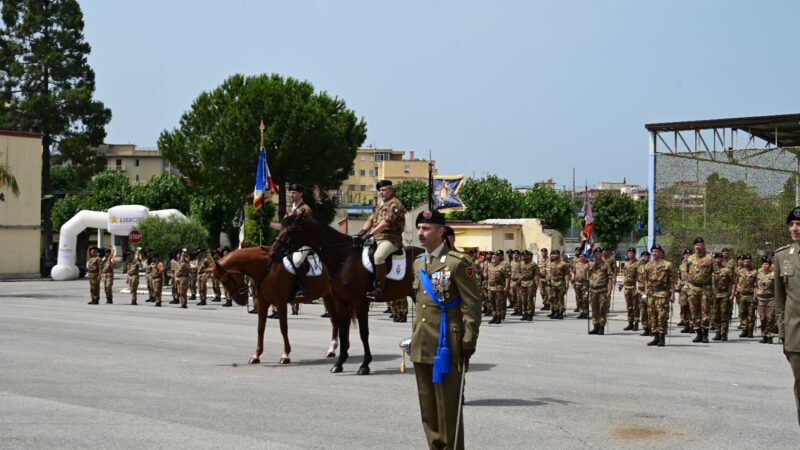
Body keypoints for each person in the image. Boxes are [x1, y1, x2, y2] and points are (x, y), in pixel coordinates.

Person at [411, 209, 481, 450]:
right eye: (419, 228)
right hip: (422, 343)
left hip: (447, 345)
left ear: (440, 232)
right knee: (428, 408)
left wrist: (468, 341)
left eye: (426, 228)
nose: (421, 233)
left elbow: (472, 305)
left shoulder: (457, 263)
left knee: (448, 408)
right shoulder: (418, 263)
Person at [357, 179, 406, 302]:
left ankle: (379, 289)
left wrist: (369, 234)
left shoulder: (395, 204)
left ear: (391, 190)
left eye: (384, 190)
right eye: (379, 190)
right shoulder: (380, 205)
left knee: (379, 257)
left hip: (390, 238)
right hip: (376, 238)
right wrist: (362, 232)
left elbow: (386, 222)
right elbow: (371, 220)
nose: (381, 192)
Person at [775, 206, 800, 426]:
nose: (795, 228)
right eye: (791, 224)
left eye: (799, 224)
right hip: (795, 334)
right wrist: (783, 334)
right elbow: (780, 300)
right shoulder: (782, 256)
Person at [270, 183, 314, 297]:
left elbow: (304, 229)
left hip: (303, 243)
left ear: (301, 194)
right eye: (290, 192)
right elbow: (283, 228)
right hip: (291, 244)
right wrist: (268, 224)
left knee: (297, 260)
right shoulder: (290, 210)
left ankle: (302, 287)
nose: (291, 194)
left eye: (294, 192)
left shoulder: (305, 209)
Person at [644, 244, 674, 347]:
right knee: (653, 315)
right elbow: (646, 280)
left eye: (657, 251)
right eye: (653, 252)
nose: (654, 253)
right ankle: (655, 336)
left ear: (661, 253)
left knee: (662, 316)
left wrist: (673, 294)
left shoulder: (667, 264)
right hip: (652, 293)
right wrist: (646, 291)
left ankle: (662, 337)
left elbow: (671, 280)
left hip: (662, 293)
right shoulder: (648, 265)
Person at [686, 237, 714, 343]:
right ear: (694, 246)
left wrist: (714, 290)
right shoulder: (690, 259)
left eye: (700, 244)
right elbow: (687, 272)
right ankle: (698, 332)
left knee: (705, 312)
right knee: (694, 311)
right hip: (693, 288)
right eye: (696, 245)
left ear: (704, 245)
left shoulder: (710, 258)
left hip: (705, 288)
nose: (698, 247)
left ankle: (705, 334)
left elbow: (715, 274)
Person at [588, 247, 614, 335]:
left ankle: (601, 327)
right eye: (595, 254)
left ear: (601, 255)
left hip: (602, 290)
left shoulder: (606, 265)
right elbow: (587, 275)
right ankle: (595, 326)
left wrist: (610, 290)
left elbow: (610, 278)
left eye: (598, 254)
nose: (596, 255)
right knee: (594, 309)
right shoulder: (591, 265)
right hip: (593, 290)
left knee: (602, 309)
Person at [711, 252, 735, 341]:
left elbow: (733, 282)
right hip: (714, 295)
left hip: (724, 294)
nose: (717, 260)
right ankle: (717, 332)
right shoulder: (711, 271)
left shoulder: (727, 270)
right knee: (715, 314)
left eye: (719, 258)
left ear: (722, 259)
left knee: (724, 314)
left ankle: (724, 333)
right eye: (716, 258)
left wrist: (732, 294)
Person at [736, 255, 758, 338]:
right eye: (745, 261)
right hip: (741, 295)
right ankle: (744, 329)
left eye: (748, 261)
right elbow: (737, 282)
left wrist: (755, 296)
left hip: (750, 295)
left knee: (751, 314)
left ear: (751, 262)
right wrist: (736, 291)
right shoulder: (740, 271)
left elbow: (756, 285)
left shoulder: (755, 272)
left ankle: (750, 330)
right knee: (742, 313)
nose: (746, 263)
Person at [756, 256, 776, 344]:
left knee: (770, 318)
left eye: (767, 264)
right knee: (762, 318)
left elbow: (777, 287)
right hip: (760, 299)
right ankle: (764, 335)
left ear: (770, 265)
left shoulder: (773, 275)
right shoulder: (758, 274)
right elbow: (755, 286)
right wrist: (754, 297)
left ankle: (770, 335)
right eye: (764, 264)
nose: (765, 266)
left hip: (771, 298)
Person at [621, 247, 640, 331]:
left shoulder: (638, 263)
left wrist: (637, 288)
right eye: (629, 253)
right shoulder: (626, 264)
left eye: (632, 253)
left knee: (635, 306)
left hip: (634, 286)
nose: (630, 254)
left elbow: (638, 277)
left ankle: (636, 323)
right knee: (629, 306)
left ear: (635, 254)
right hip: (627, 287)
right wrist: (622, 284)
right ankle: (630, 323)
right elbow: (625, 275)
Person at [547, 249, 569, 319]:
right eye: (553, 254)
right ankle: (555, 311)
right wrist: (549, 281)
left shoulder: (564, 264)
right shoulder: (552, 264)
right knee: (554, 298)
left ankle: (560, 313)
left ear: (559, 255)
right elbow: (550, 274)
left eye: (556, 254)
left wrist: (567, 283)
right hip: (553, 283)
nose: (554, 255)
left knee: (560, 298)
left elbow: (567, 274)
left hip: (561, 283)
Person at [637, 251, 652, 336]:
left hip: (649, 291)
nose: (644, 257)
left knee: (650, 310)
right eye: (643, 256)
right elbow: (637, 279)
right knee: (643, 311)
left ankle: (652, 328)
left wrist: (647, 292)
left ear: (649, 257)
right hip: (641, 291)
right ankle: (645, 327)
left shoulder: (651, 265)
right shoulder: (639, 266)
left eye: (646, 256)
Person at [571, 252, 590, 320]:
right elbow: (573, 272)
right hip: (577, 283)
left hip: (585, 284)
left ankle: (586, 312)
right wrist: (572, 278)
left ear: (585, 257)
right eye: (580, 256)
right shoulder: (576, 264)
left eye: (583, 256)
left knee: (585, 298)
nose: (581, 258)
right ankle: (581, 312)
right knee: (578, 298)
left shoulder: (588, 264)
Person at [678, 249, 692, 333]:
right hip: (683, 287)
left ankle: (693, 325)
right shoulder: (681, 266)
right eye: (686, 254)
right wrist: (679, 286)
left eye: (689, 254)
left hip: (691, 286)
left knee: (691, 306)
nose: (687, 256)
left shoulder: (694, 264)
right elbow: (679, 276)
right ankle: (686, 323)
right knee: (683, 305)